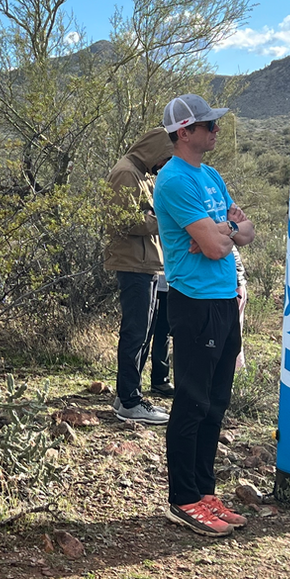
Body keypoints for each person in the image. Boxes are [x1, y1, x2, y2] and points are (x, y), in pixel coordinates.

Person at [154, 94, 255, 537]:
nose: (215, 130)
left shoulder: (210, 175)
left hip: (223, 298)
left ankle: (204, 490)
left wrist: (224, 230)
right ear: (185, 132)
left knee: (215, 401)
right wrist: (220, 235)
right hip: (193, 301)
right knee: (193, 399)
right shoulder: (174, 180)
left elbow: (244, 231)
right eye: (208, 125)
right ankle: (184, 498)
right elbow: (215, 247)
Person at [105, 128, 173, 424]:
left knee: (143, 332)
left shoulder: (142, 173)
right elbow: (124, 219)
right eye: (165, 157)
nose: (165, 164)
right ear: (155, 149)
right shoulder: (126, 172)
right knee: (135, 332)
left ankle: (128, 395)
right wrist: (164, 220)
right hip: (133, 263)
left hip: (146, 264)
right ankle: (130, 400)